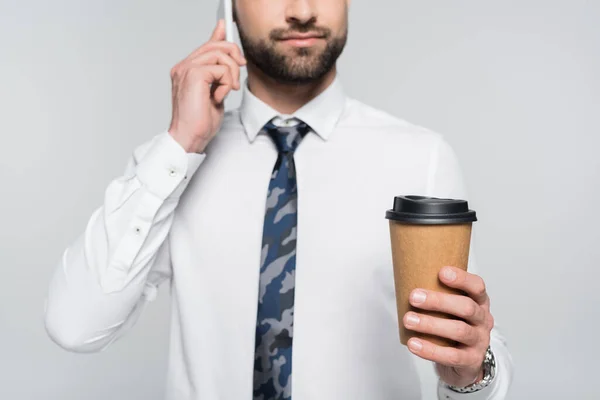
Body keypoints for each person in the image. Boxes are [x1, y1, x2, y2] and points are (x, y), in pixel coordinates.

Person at [44, 0, 513, 398]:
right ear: (228, 9)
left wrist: (472, 372)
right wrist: (179, 146)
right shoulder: (170, 165)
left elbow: (474, 347)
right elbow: (75, 325)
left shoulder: (421, 158)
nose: (303, 12)